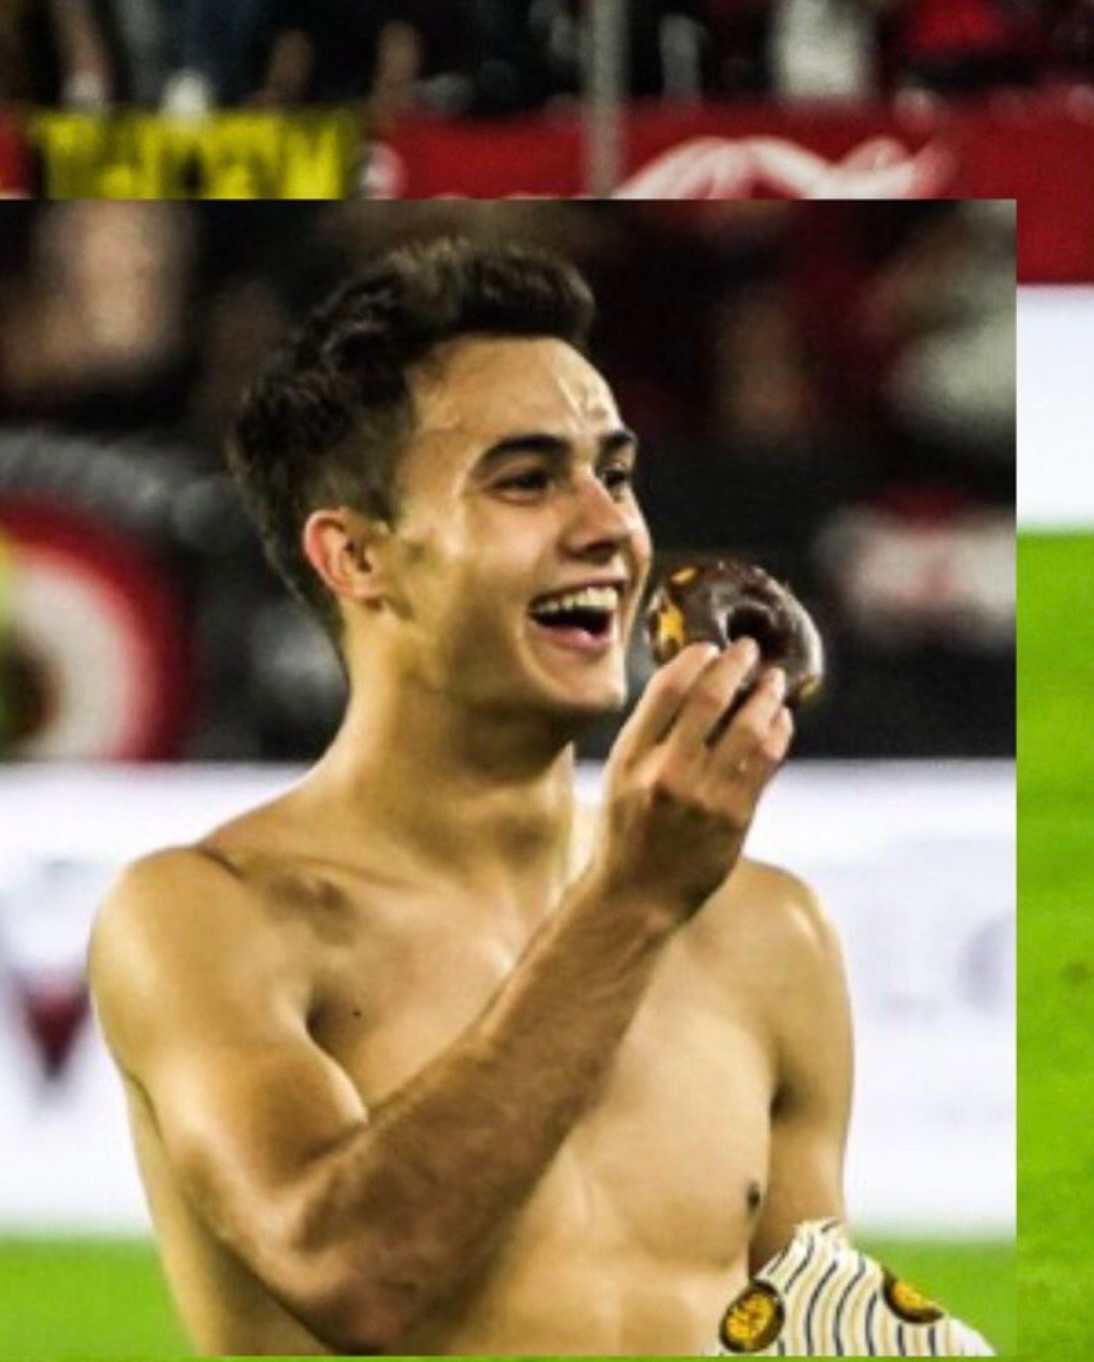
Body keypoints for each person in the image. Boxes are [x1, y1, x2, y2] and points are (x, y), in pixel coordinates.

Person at [88, 238, 853, 1355]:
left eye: (615, 473)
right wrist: (631, 900)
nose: (607, 528)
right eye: (526, 479)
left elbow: (801, 1331)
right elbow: (355, 1276)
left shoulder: (768, 933)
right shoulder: (207, 917)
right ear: (356, 558)